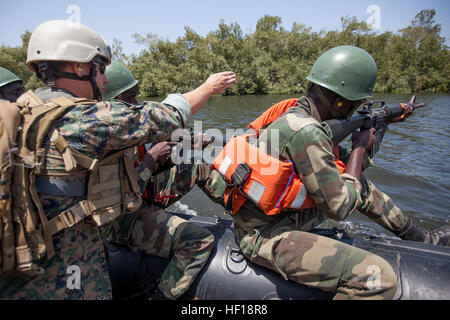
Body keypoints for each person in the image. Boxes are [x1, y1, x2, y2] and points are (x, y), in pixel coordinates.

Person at [0, 20, 235, 300]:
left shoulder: (25, 113)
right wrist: (208, 87)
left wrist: (174, 151)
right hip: (68, 261)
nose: (104, 79)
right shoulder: (83, 119)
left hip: (26, 251)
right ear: (79, 67)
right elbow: (166, 116)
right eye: (100, 69)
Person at [209, 45, 449, 300]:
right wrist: (358, 148)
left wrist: (382, 126)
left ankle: (422, 239)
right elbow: (339, 208)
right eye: (355, 106)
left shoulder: (292, 114)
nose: (354, 111)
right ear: (341, 102)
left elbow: (346, 168)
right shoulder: (308, 132)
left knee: (361, 186)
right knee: (378, 279)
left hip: (278, 216)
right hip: (266, 237)